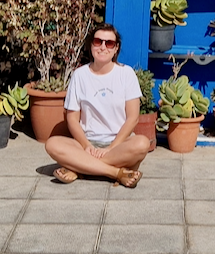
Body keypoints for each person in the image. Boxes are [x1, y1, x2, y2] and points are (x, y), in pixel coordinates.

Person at [45, 24, 150, 188]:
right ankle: (116, 172)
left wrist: (111, 148)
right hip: (86, 143)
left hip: (119, 144)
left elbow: (133, 118)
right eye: (98, 41)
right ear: (91, 45)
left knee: (142, 143)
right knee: (52, 144)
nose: (103, 47)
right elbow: (72, 119)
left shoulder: (126, 73)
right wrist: (87, 146)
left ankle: (80, 168)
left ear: (116, 49)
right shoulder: (80, 75)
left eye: (109, 43)